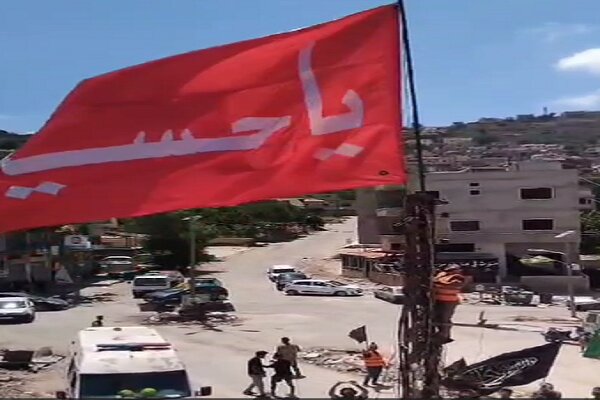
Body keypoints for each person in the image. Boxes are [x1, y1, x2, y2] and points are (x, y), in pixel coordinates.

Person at [432, 264, 465, 344]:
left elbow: (443, 283)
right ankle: (439, 334)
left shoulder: (457, 277)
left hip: (450, 301)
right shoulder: (443, 276)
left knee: (445, 319)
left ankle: (444, 337)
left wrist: (437, 279)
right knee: (436, 318)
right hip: (439, 300)